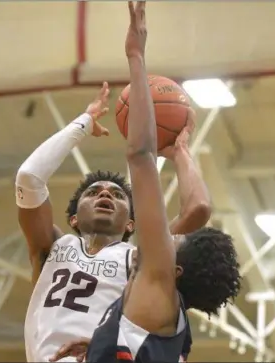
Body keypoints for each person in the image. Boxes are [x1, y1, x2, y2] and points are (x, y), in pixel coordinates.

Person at [49, 2, 241, 362]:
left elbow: (140, 156)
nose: (168, 235)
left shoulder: (155, 277)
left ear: (174, 268)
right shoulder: (162, 314)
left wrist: (136, 56)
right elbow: (198, 209)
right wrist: (181, 150)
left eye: (175, 240)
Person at [16, 52, 210, 363]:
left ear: (131, 224)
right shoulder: (51, 247)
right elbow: (28, 178)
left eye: (118, 195)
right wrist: (82, 124)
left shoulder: (139, 259)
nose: (105, 194)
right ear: (75, 217)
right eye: (93, 192)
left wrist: (181, 151)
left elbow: (197, 210)